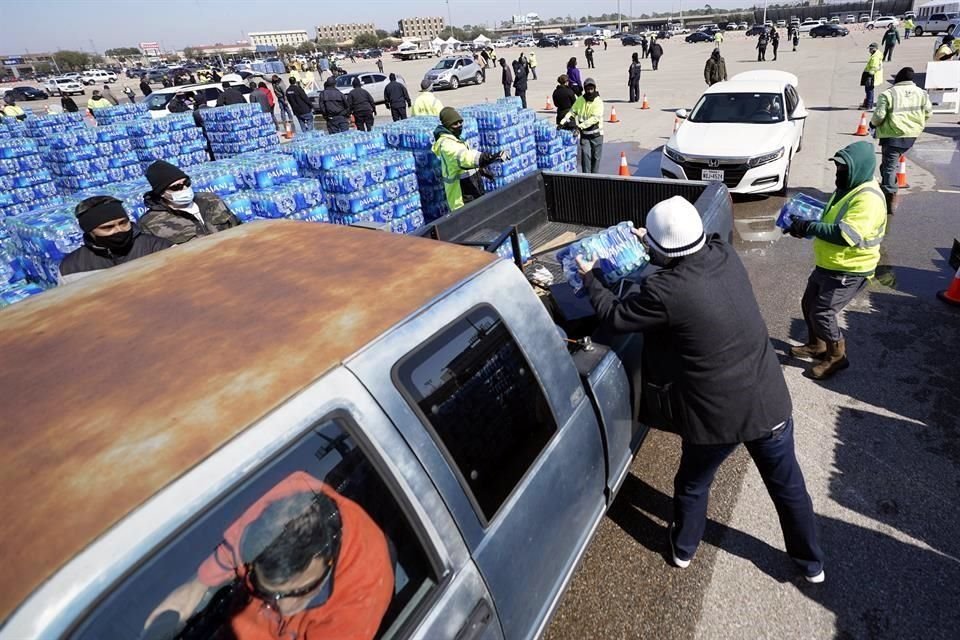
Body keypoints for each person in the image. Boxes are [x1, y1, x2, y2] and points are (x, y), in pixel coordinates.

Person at [574, 196, 825, 584]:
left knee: (692, 483)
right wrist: (653, 240)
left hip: (717, 416)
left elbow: (616, 315)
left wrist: (590, 276)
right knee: (788, 487)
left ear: (661, 250)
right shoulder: (723, 254)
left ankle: (684, 549)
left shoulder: (666, 292)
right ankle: (811, 564)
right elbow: (683, 251)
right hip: (769, 401)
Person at [142, 472, 394, 640]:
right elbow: (198, 587)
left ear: (325, 563)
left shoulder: (362, 595)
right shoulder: (264, 509)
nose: (277, 607)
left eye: (291, 594)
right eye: (265, 591)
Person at [784, 141, 886, 379]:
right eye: (838, 168)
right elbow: (830, 220)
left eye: (844, 169)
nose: (839, 173)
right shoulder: (848, 188)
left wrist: (810, 226)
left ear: (859, 168)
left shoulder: (868, 199)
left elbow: (845, 234)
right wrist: (805, 227)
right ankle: (817, 345)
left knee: (823, 312)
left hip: (850, 268)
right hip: (830, 263)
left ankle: (837, 356)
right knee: (809, 304)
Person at [58, 196, 172, 285]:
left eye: (123, 223)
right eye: (108, 227)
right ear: (89, 231)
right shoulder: (71, 268)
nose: (119, 230)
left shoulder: (158, 247)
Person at [870, 67, 932, 215]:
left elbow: (879, 116)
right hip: (911, 135)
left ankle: (889, 195)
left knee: (888, 168)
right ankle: (889, 187)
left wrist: (872, 125)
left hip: (893, 135)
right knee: (889, 165)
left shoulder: (888, 94)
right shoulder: (922, 93)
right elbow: (928, 112)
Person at [140, 160, 241, 245]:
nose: (184, 188)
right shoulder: (150, 223)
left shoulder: (210, 200)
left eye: (186, 183)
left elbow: (237, 226)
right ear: (161, 193)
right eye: (176, 187)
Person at [431, 107, 504, 211]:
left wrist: (481, 171)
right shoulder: (447, 145)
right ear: (447, 126)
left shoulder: (457, 139)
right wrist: (487, 157)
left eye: (460, 122)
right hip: (461, 197)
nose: (459, 126)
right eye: (455, 124)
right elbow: (464, 158)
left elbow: (467, 165)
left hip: (472, 189)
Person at [560, 77, 604, 174]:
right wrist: (563, 122)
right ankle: (587, 178)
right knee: (585, 156)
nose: (589, 91)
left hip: (596, 135)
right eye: (587, 89)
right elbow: (572, 112)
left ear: (595, 89)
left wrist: (580, 126)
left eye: (591, 89)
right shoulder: (580, 100)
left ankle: (595, 177)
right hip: (585, 136)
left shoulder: (598, 102)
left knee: (596, 158)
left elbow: (595, 118)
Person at [862, 43, 883, 110]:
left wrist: (870, 75)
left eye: (870, 49)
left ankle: (868, 105)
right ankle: (869, 104)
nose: (869, 50)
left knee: (869, 90)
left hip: (871, 76)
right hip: (872, 75)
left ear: (874, 49)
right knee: (869, 90)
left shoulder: (875, 57)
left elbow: (874, 67)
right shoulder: (877, 55)